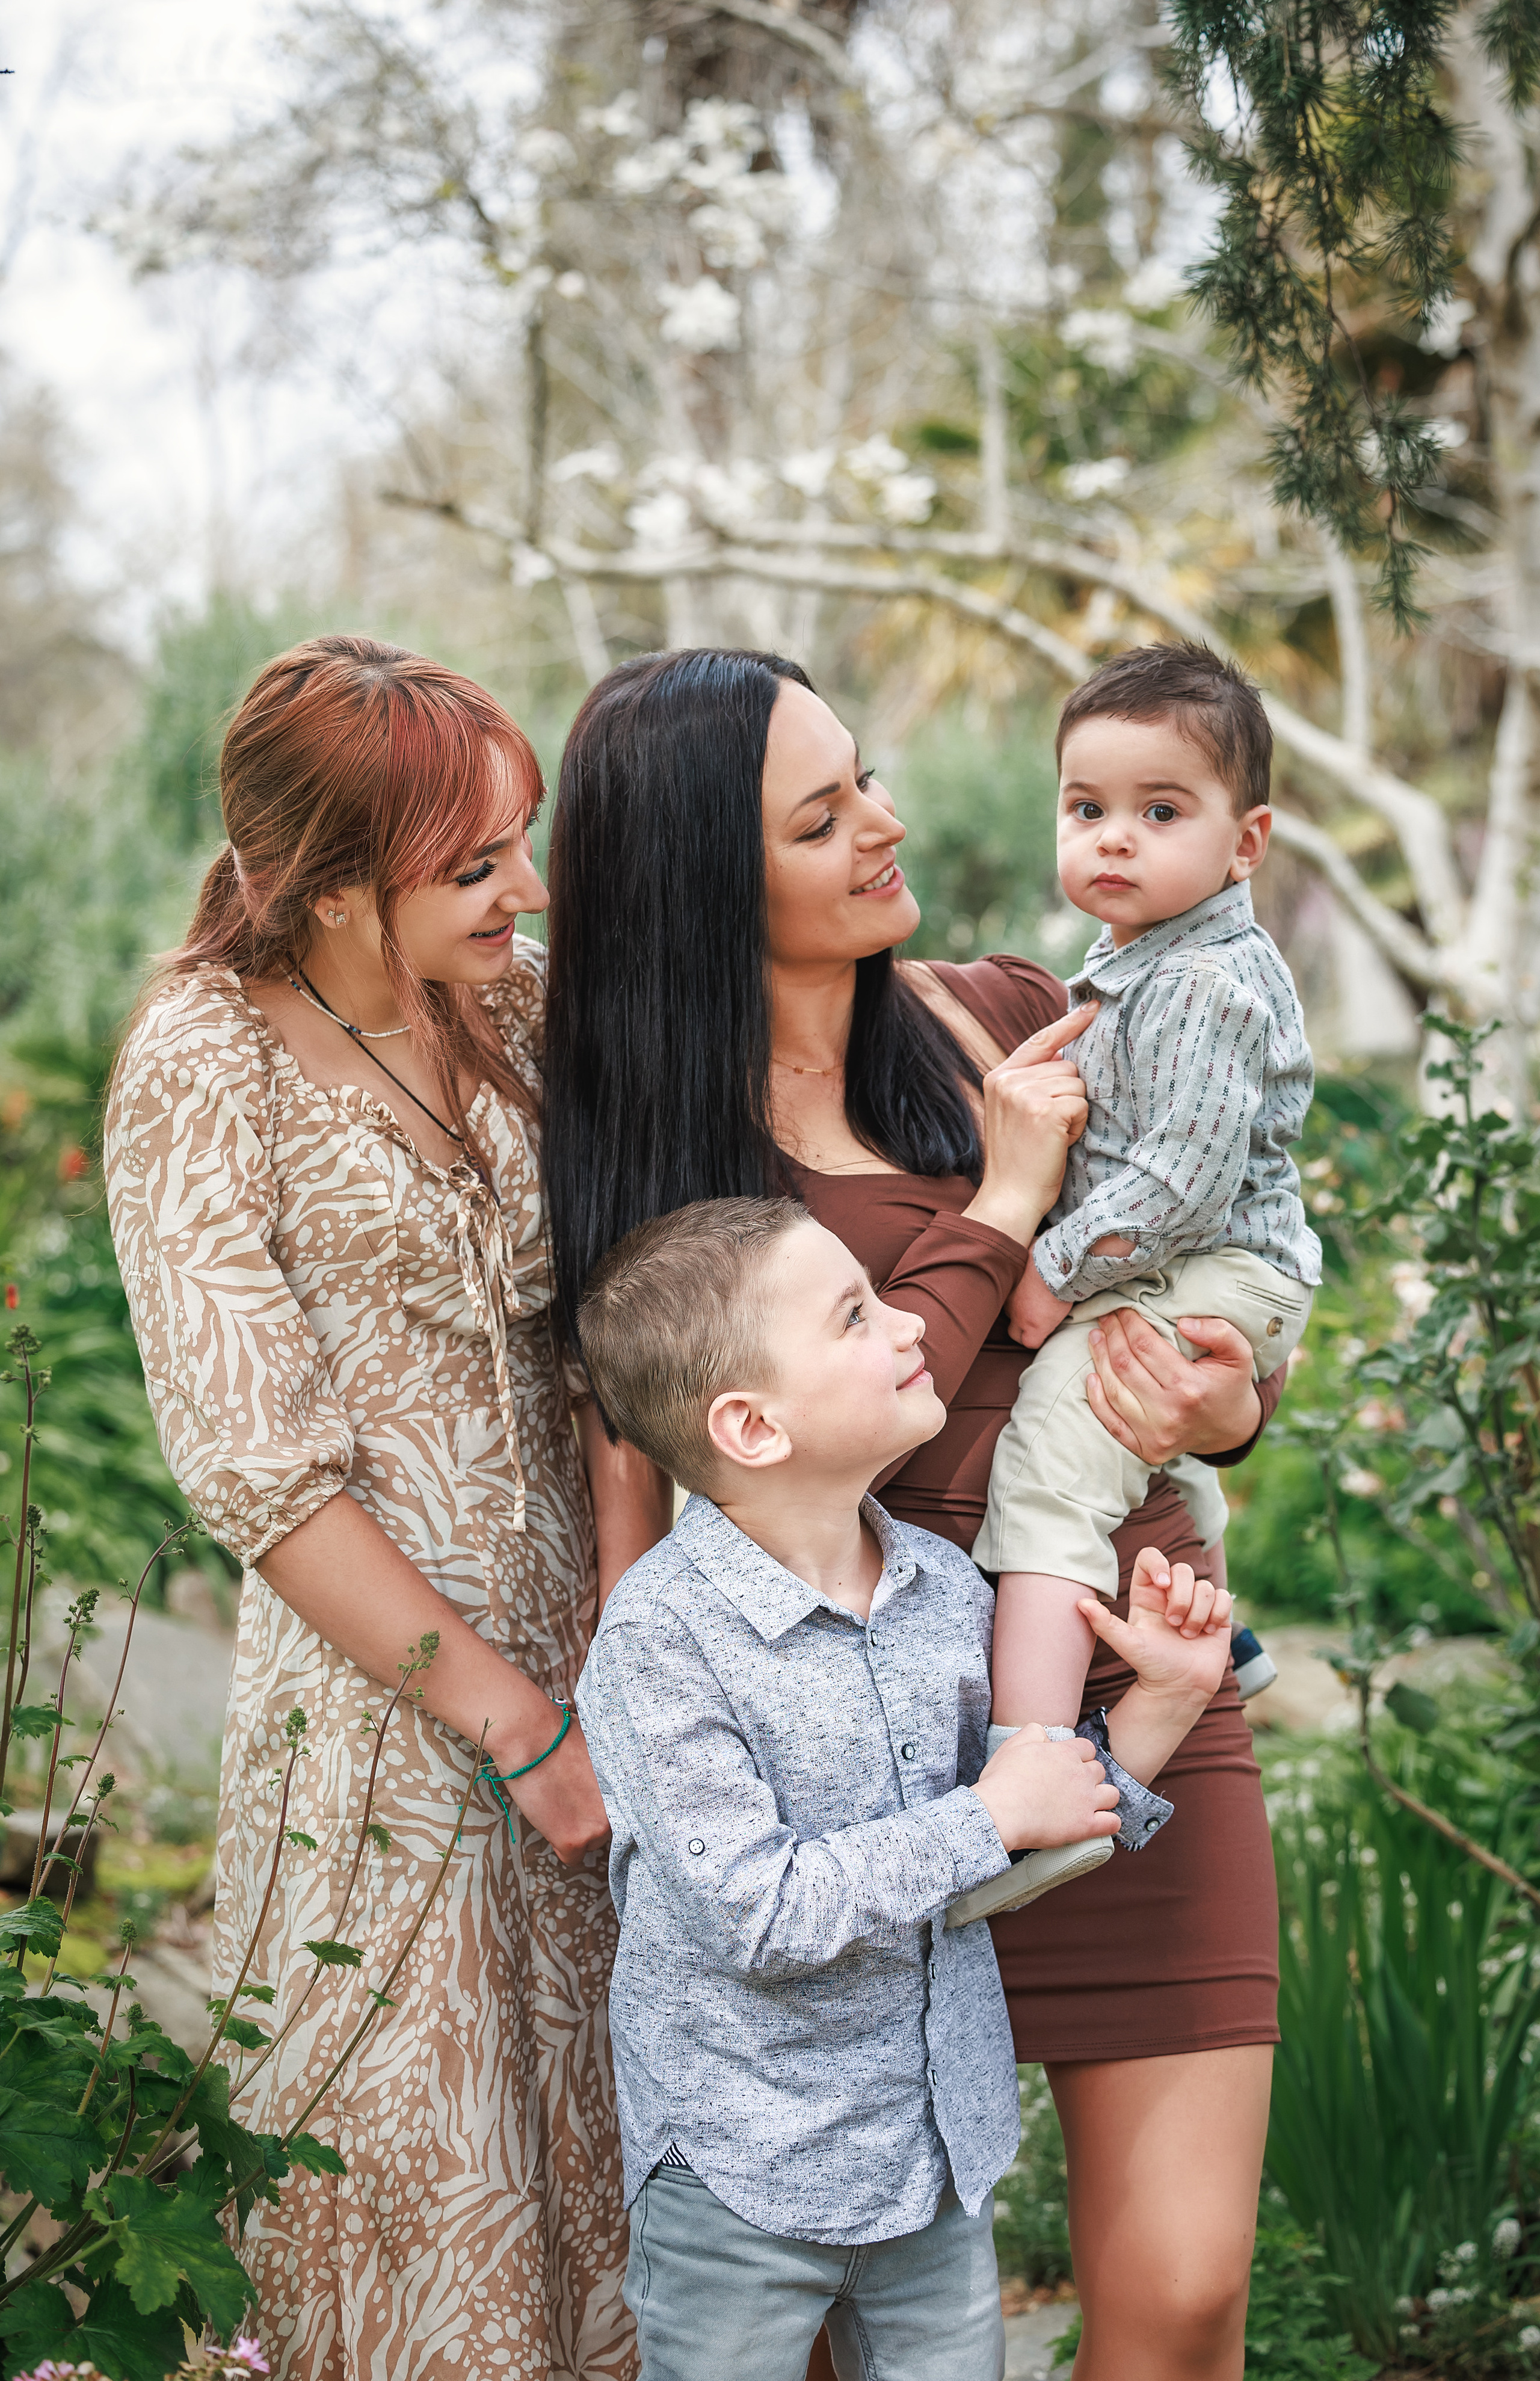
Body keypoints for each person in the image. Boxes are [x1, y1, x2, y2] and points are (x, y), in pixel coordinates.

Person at [544, 647, 1286, 2381]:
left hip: (1133, 1686)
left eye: (862, 776)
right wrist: (1011, 1201)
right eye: (823, 817)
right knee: (834, 2336)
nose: (885, 823)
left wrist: (1226, 1402)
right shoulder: (671, 1158)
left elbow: (1195, 1306)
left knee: (1182, 2294)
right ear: (711, 885)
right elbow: (664, 1511)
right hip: (849, 1769)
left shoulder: (1013, 1012)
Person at [105, 635, 668, 2381]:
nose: (532, 886)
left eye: (528, 840)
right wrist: (511, 1718)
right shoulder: (205, 1064)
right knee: (432, 2206)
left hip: (598, 1664)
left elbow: (617, 1309)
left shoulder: (510, 1001)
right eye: (479, 860)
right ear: (335, 885)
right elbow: (255, 1469)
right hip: (389, 1733)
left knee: (627, 2200)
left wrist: (623, 1628)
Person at [571, 1195, 1234, 2381]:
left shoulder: (940, 1587)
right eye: (853, 1315)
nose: (908, 1326)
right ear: (750, 1424)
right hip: (739, 2173)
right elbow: (756, 1912)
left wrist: (1161, 1704)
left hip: (933, 2157)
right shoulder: (661, 1638)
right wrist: (984, 1813)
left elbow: (1025, 1827)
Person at [961, 643, 1319, 1925]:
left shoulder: (1204, 983)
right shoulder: (1132, 960)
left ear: (1244, 840)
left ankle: (1034, 1761)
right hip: (1202, 1258)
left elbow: (1173, 1180)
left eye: (1158, 811)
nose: (1113, 838)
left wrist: (1047, 1272)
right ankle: (1225, 1625)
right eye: (1085, 807)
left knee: (1054, 1447)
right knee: (1130, 1429)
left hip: (1207, 1259)